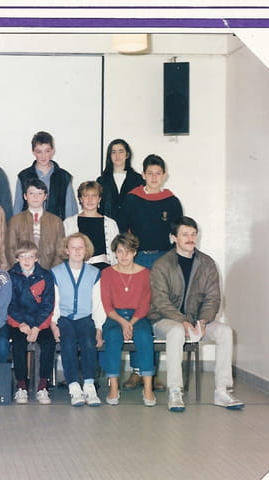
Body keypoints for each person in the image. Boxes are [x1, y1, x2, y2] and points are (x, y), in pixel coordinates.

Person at [149, 217, 244, 412]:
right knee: (176, 331)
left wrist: (203, 321)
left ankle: (222, 390)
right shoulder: (162, 264)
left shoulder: (207, 263)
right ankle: (175, 391)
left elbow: (213, 298)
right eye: (185, 234)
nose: (190, 238)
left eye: (193, 234)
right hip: (164, 320)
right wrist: (183, 321)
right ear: (173, 238)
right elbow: (160, 301)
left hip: (196, 320)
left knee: (225, 332)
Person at [118, 153, 182, 391]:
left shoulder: (171, 201)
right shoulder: (132, 199)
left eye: (158, 173)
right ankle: (137, 371)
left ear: (164, 175)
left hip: (164, 260)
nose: (154, 177)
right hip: (138, 259)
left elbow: (177, 232)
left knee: (157, 313)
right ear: (143, 175)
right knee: (138, 311)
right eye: (150, 173)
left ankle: (152, 374)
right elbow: (123, 229)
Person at [100, 233, 156, 406]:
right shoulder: (107, 273)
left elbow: (145, 304)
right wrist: (123, 322)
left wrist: (130, 323)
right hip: (114, 317)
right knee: (113, 337)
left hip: (138, 317)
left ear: (135, 252)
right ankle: (114, 387)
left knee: (144, 337)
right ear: (115, 253)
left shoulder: (145, 273)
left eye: (128, 251)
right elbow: (107, 305)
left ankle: (148, 388)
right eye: (120, 251)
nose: (124, 256)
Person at [51, 233, 106, 407]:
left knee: (89, 343)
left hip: (85, 317)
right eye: (73, 247)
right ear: (66, 250)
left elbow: (98, 303)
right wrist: (53, 324)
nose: (77, 251)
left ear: (86, 250)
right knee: (67, 344)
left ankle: (89, 385)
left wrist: (99, 328)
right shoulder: (56, 272)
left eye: (80, 247)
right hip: (65, 318)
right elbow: (55, 301)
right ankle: (74, 386)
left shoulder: (94, 273)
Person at [7, 241, 56, 405]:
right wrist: (20, 324)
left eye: (30, 256)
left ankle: (43, 386)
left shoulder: (46, 276)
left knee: (48, 343)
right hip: (19, 323)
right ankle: (21, 385)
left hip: (39, 322)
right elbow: (9, 304)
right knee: (18, 344)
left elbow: (48, 305)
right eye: (22, 256)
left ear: (36, 258)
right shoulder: (10, 276)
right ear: (17, 258)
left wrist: (37, 327)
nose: (26, 260)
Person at [12, 131, 76, 220]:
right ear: (33, 152)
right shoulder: (23, 177)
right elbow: (17, 209)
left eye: (47, 151)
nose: (43, 156)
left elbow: (70, 211)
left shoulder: (63, 177)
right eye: (39, 152)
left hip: (56, 226)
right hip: (29, 226)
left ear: (53, 151)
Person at [5, 178, 64, 270]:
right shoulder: (15, 221)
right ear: (25, 196)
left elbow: (60, 251)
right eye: (31, 193)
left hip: (48, 272)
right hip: (22, 273)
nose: (35, 197)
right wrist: (20, 271)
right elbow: (10, 249)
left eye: (40, 193)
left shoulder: (56, 222)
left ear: (45, 196)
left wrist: (52, 273)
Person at [63, 181, 119, 270]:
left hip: (104, 270)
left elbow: (116, 252)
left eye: (94, 196)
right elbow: (65, 250)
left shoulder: (111, 224)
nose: (90, 199)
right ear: (80, 199)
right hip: (78, 269)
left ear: (99, 199)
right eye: (86, 196)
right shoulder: (69, 223)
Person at [96, 138, 145, 227]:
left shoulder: (138, 180)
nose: (117, 155)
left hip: (132, 229)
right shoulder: (101, 181)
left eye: (121, 151)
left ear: (127, 155)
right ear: (110, 156)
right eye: (113, 152)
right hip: (108, 229)